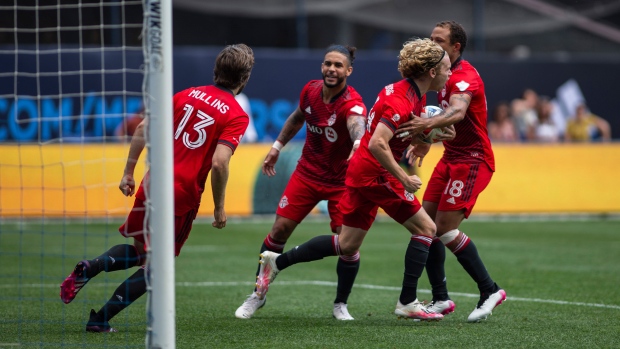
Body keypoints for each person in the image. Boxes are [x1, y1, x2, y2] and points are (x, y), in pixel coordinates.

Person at [252, 38, 453, 321]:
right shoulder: (400, 99)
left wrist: (424, 138)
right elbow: (377, 144)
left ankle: (277, 262)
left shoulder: (409, 93)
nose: (450, 74)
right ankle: (408, 301)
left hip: (362, 172)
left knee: (346, 245)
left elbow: (396, 132)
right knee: (426, 228)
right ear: (432, 72)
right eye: (446, 68)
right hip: (376, 174)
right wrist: (403, 178)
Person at [59, 44, 255, 332]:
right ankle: (99, 319)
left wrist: (128, 172)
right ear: (245, 78)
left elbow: (141, 129)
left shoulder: (184, 95)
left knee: (140, 251)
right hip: (181, 193)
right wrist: (219, 206)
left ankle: (91, 267)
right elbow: (219, 163)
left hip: (152, 184)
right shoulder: (237, 115)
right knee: (157, 267)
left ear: (216, 70)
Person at [235, 44, 367, 321]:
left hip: (342, 182)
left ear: (349, 70)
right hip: (307, 173)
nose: (332, 69)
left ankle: (340, 304)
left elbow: (358, 123)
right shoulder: (310, 90)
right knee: (279, 229)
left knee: (348, 243)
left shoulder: (352, 104)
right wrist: (277, 146)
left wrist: (358, 142)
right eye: (328, 63)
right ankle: (257, 295)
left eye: (338, 65)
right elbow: (297, 117)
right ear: (322, 66)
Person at [395, 21, 506, 322]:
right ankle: (441, 298)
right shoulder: (440, 74)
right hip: (451, 158)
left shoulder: (464, 77)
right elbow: (450, 124)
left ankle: (490, 290)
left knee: (443, 228)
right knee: (425, 226)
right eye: (430, 38)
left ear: (456, 47)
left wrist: (424, 126)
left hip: (473, 160)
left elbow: (457, 112)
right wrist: (428, 142)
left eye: (439, 40)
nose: (432, 43)